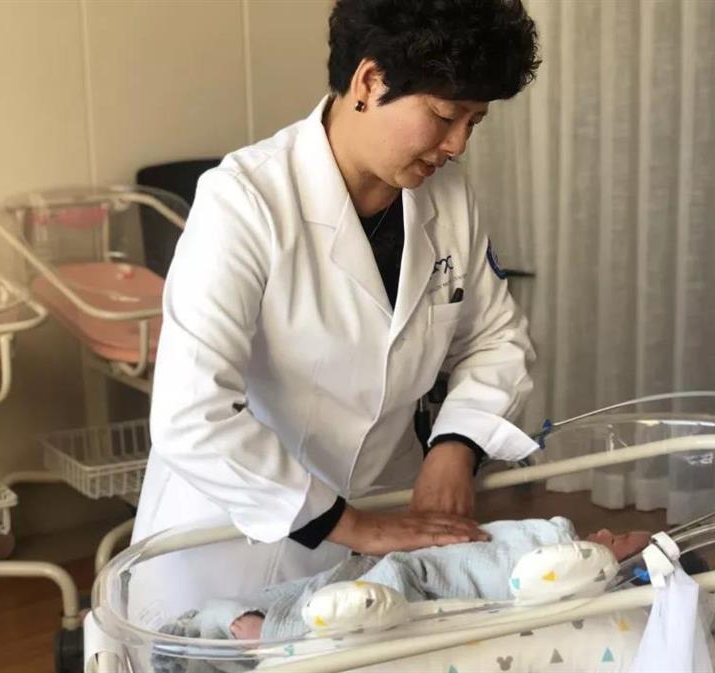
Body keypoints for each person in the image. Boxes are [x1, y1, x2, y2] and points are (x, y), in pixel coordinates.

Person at [131, 0, 543, 614]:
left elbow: (495, 338)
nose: (457, 145)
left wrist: (455, 447)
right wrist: (351, 525)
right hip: (236, 537)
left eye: (474, 122)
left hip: (390, 518)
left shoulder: (448, 198)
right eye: (444, 115)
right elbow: (192, 413)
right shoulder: (244, 202)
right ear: (370, 81)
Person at [156, 520, 650, 643]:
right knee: (319, 590)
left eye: (618, 538)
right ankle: (214, 630)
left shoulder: (567, 562)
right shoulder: (553, 538)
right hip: (245, 510)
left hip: (403, 566)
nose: (605, 532)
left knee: (373, 594)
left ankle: (282, 635)